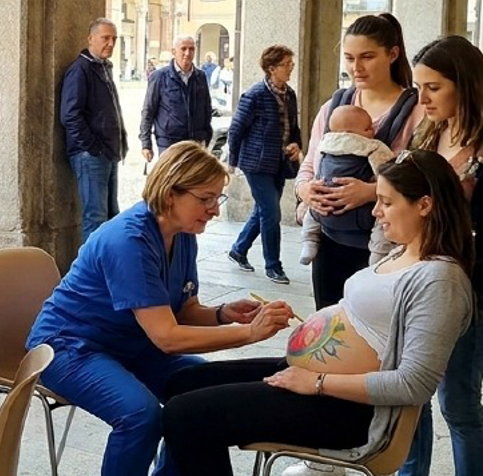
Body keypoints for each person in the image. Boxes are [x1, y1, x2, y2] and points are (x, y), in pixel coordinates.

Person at [160, 149, 476, 476]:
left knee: (185, 416)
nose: (376, 211)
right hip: (316, 386)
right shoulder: (401, 252)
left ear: (424, 205)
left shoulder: (441, 280)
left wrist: (317, 382)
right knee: (181, 384)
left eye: (386, 202)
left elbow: (414, 384)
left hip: (348, 410)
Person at [27, 142, 293, 476]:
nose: (214, 209)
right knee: (141, 416)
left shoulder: (182, 233)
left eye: (217, 198)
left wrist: (223, 313)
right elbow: (167, 338)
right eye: (206, 198)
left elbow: (184, 310)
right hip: (70, 347)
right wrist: (249, 334)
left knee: (202, 396)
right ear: (170, 194)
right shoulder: (129, 240)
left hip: (133, 344)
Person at [397, 35, 483, 476]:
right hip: (417, 277)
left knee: (459, 401)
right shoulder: (428, 131)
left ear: (465, 85)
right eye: (418, 87)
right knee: (410, 393)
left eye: (433, 87)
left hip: (469, 286)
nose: (423, 98)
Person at [295, 13, 422, 309]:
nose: (356, 68)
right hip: (329, 240)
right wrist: (305, 191)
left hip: (384, 242)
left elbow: (423, 178)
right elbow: (310, 163)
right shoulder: (334, 107)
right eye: (349, 58)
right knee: (329, 321)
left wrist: (369, 191)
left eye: (367, 57)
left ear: (392, 54)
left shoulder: (416, 112)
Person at [226, 45, 303, 285]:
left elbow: (294, 127)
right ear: (271, 68)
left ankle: (239, 249)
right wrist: (232, 162)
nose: (290, 68)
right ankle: (273, 266)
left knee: (263, 210)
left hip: (280, 162)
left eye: (291, 64)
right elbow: (236, 130)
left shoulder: (290, 94)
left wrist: (296, 145)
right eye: (286, 64)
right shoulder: (255, 95)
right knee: (271, 212)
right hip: (256, 163)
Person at [295, 105, 395, 267]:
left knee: (312, 216)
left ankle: (309, 241)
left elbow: (314, 162)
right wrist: (304, 190)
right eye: (368, 128)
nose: (373, 130)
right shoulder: (372, 145)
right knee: (381, 221)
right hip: (359, 220)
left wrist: (312, 188)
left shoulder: (325, 141)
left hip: (324, 207)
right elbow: (388, 170)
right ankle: (378, 254)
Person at [60, 19, 129, 240]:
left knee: (111, 216)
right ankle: (91, 263)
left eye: (114, 39)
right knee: (95, 218)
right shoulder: (81, 70)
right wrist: (93, 147)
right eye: (105, 38)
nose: (111, 43)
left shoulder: (103, 67)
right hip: (91, 155)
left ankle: (107, 260)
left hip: (108, 152)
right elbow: (70, 115)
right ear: (91, 39)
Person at [140, 34, 212, 163]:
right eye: (183, 49)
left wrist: (206, 136)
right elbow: (148, 111)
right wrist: (146, 144)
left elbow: (207, 108)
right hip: (169, 144)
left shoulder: (200, 77)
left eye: (191, 49)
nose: (187, 53)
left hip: (195, 144)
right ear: (174, 51)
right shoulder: (159, 77)